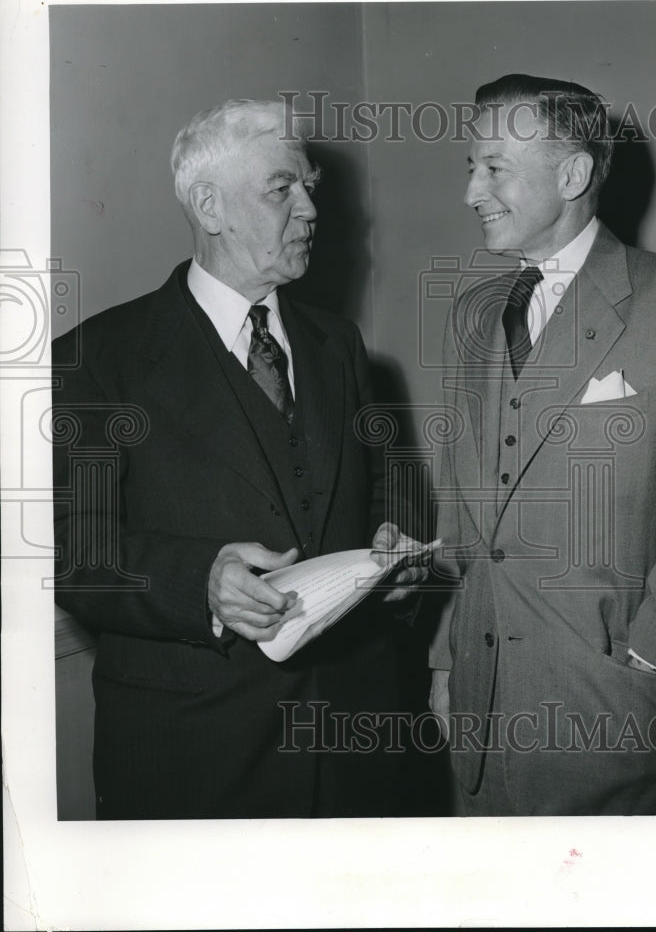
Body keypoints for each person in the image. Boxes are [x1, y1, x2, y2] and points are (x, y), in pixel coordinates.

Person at [52, 98, 424, 820]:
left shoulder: (338, 345)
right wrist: (204, 583)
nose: (312, 209)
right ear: (209, 206)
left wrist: (392, 545)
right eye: (283, 188)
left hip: (355, 741)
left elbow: (387, 483)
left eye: (310, 186)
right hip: (194, 756)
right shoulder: (97, 359)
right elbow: (73, 553)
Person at [428, 74, 656, 815]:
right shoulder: (471, 318)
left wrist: (648, 671)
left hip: (624, 737)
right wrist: (444, 661)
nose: (471, 191)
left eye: (493, 168)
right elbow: (466, 519)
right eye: (469, 168)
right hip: (478, 729)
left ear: (572, 174)